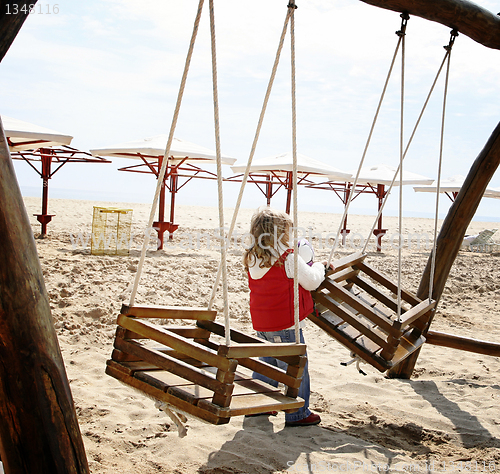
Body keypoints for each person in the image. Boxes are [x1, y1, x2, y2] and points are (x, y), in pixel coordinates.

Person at [242, 207, 331, 427]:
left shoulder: (253, 255)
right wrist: (321, 266)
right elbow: (310, 281)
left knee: (269, 361)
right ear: (280, 232)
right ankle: (297, 413)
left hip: (263, 322)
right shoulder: (287, 257)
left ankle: (257, 404)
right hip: (285, 323)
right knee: (296, 366)